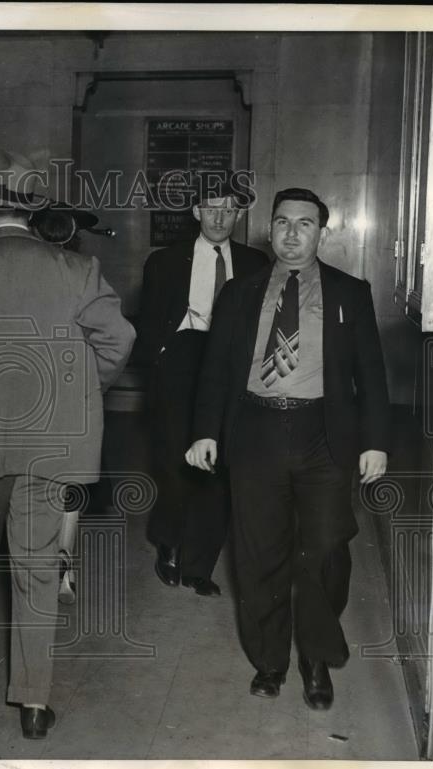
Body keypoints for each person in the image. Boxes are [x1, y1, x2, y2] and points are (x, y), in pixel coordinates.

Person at [0, 149, 135, 739]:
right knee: (36, 568)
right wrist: (82, 388)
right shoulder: (76, 271)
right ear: (33, 213)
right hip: (50, 445)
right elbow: (118, 341)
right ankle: (34, 702)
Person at [187, 187, 390, 709]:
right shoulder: (238, 293)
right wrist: (206, 430)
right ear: (269, 228)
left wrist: (375, 443)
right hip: (255, 432)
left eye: (304, 224)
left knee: (325, 549)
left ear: (322, 232)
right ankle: (270, 662)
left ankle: (316, 657)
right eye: (281, 223)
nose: (291, 233)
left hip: (324, 436)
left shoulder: (350, 292)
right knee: (259, 555)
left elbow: (371, 376)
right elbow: (213, 372)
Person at [135, 184, 269, 597]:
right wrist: (161, 358)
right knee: (177, 462)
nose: (219, 218)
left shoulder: (254, 262)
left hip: (231, 368)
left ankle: (198, 565)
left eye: (228, 211)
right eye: (211, 209)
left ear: (238, 216)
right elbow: (149, 319)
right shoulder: (164, 262)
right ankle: (169, 543)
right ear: (196, 211)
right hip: (180, 363)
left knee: (219, 467)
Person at [29, 205, 104, 605]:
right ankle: (64, 563)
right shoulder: (85, 272)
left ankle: (37, 566)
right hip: (72, 394)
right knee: (69, 484)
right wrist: (97, 379)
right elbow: (113, 335)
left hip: (24, 395)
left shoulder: (18, 272)